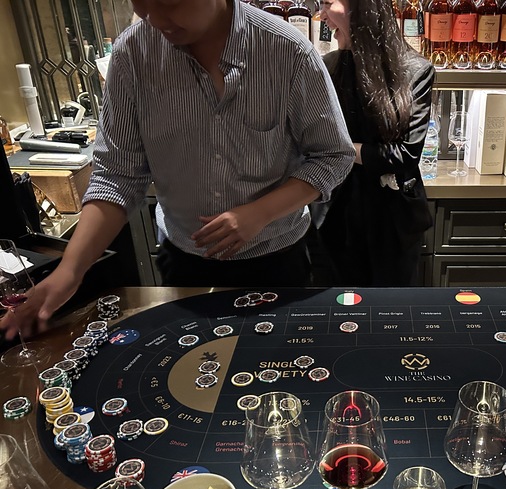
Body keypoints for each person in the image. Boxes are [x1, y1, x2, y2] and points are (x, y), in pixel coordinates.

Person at [1, 0, 354, 340]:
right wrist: (70, 271)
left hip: (277, 262)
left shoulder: (285, 49)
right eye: (140, 1)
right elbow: (117, 176)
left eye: (169, 2)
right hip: (184, 263)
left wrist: (260, 212)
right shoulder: (133, 54)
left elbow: (332, 155)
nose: (154, 17)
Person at [316, 0, 435, 286]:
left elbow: (406, 156)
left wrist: (342, 150)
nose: (321, 15)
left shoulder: (415, 71)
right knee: (338, 305)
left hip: (393, 220)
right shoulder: (327, 67)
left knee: (392, 306)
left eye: (328, 3)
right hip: (336, 216)